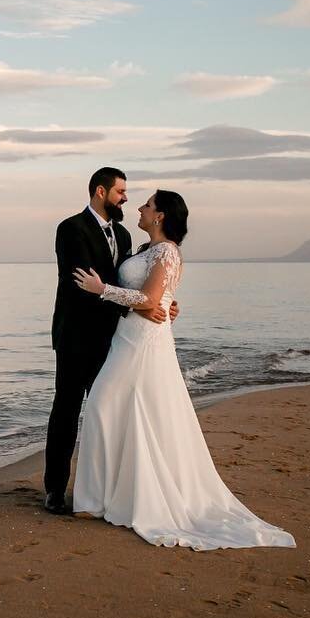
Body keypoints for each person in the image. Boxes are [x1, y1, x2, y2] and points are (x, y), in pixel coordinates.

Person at [70, 190, 296, 551]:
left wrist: (102, 290)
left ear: (159, 216)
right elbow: (155, 298)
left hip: (143, 342)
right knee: (112, 409)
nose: (140, 209)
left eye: (147, 205)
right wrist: (165, 304)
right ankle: (102, 497)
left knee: (103, 405)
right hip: (126, 337)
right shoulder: (144, 250)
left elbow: (148, 298)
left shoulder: (167, 251)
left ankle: (104, 499)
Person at [44, 168, 177, 515]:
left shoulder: (123, 234)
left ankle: (107, 490)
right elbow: (81, 283)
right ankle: (55, 490)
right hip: (75, 336)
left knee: (109, 411)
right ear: (101, 192)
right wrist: (139, 308)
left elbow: (132, 284)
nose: (126, 199)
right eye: (121, 192)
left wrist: (158, 303)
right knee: (67, 412)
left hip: (115, 341)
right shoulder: (70, 229)